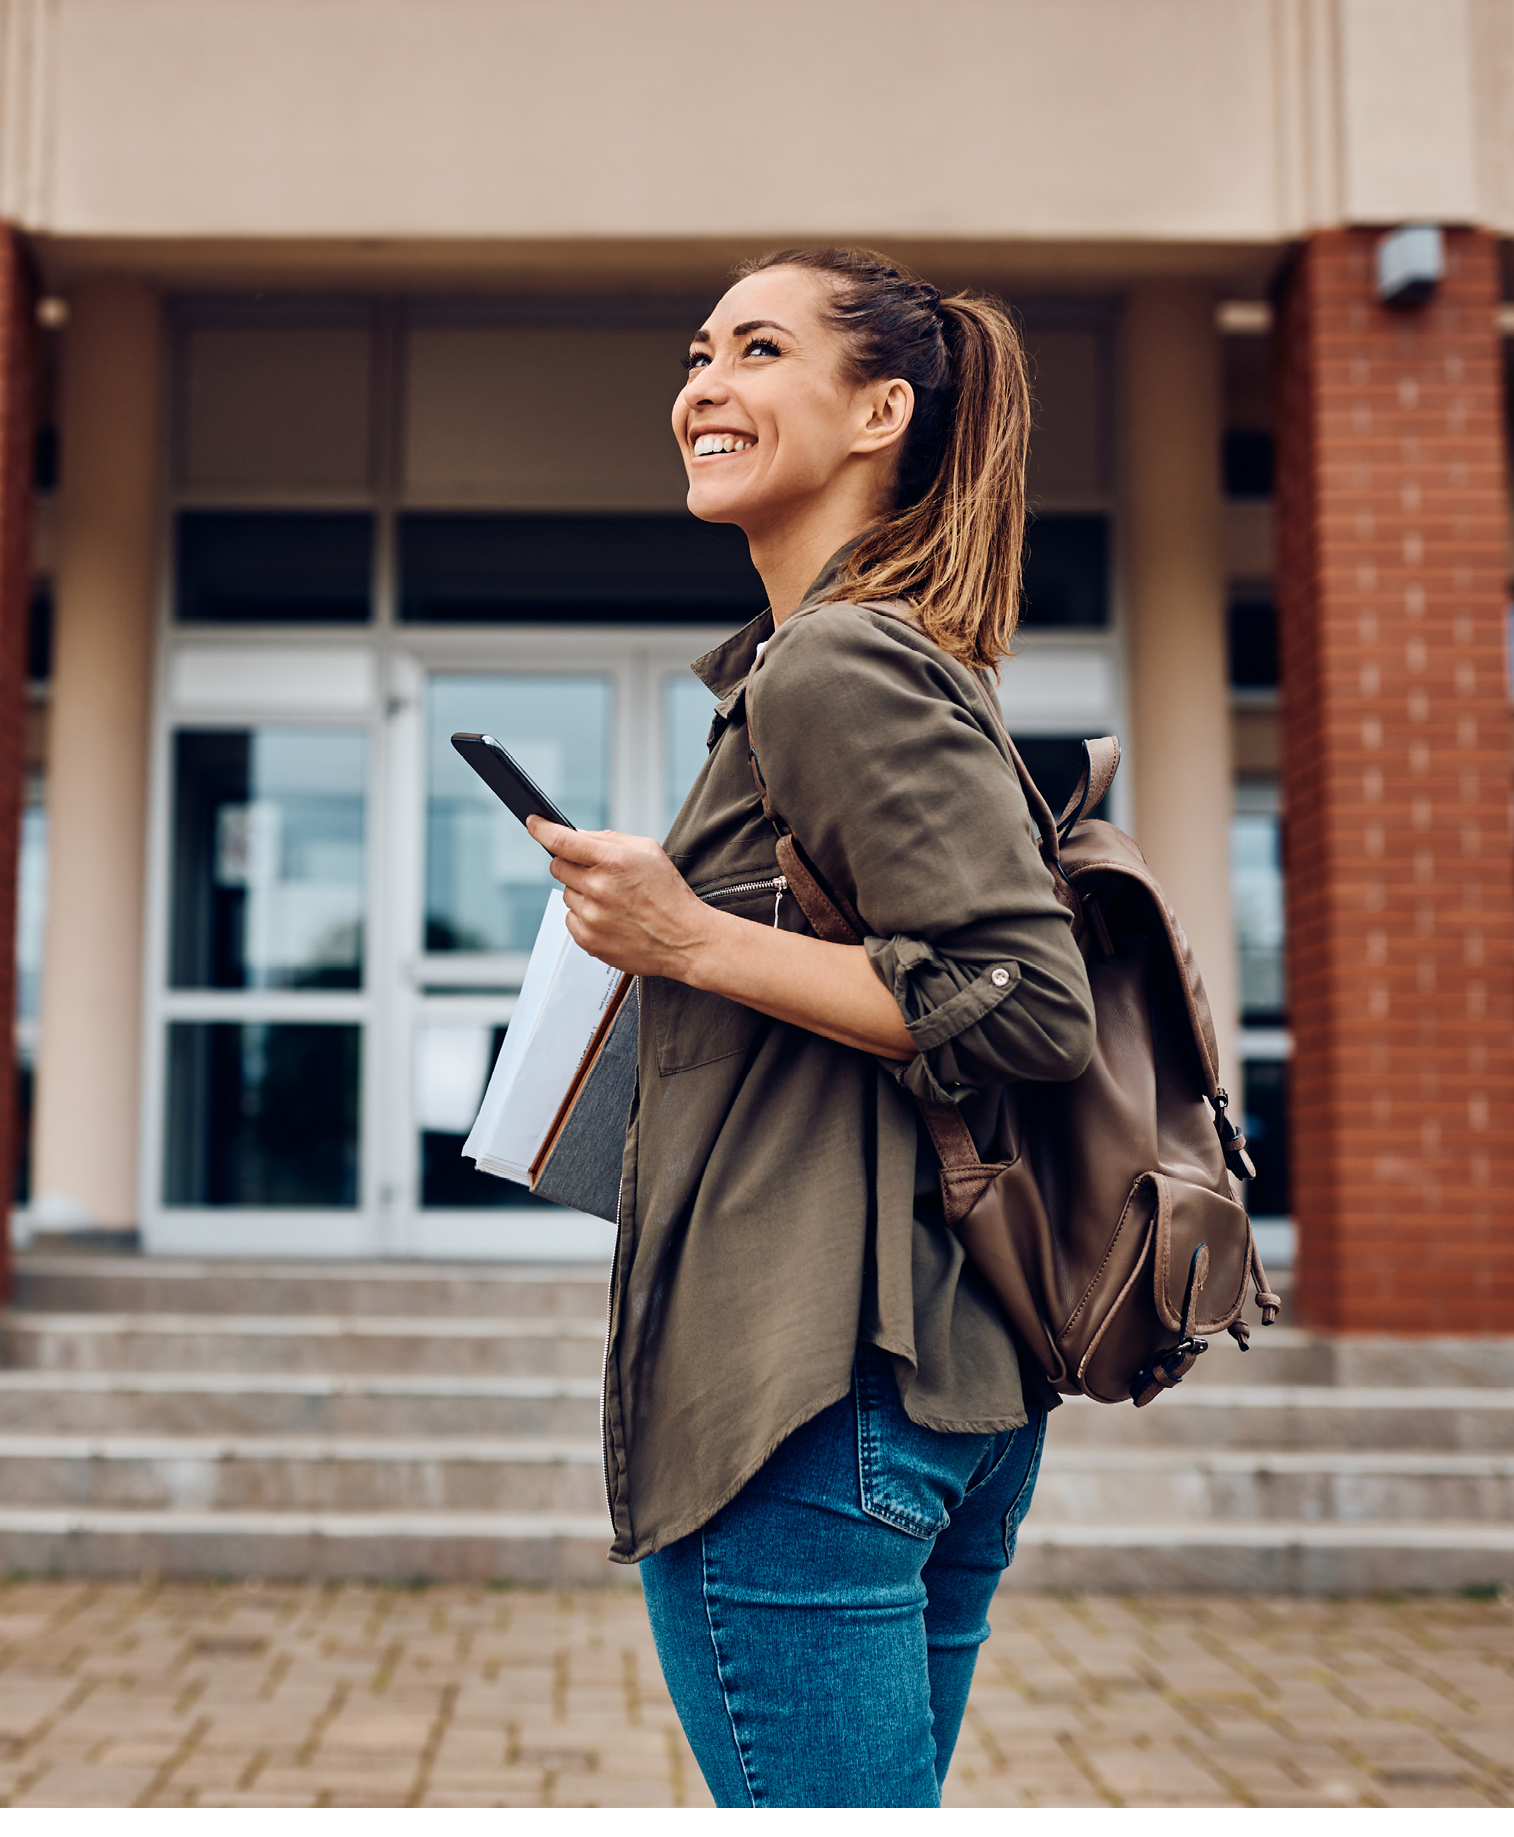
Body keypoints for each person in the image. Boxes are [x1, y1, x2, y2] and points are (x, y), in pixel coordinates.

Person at [526, 248, 1097, 1807]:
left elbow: (1031, 1003)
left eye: (760, 350)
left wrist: (689, 938)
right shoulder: (877, 656)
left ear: (879, 412)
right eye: (699, 353)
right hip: (923, 1381)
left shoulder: (838, 663)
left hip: (812, 1392)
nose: (705, 385)